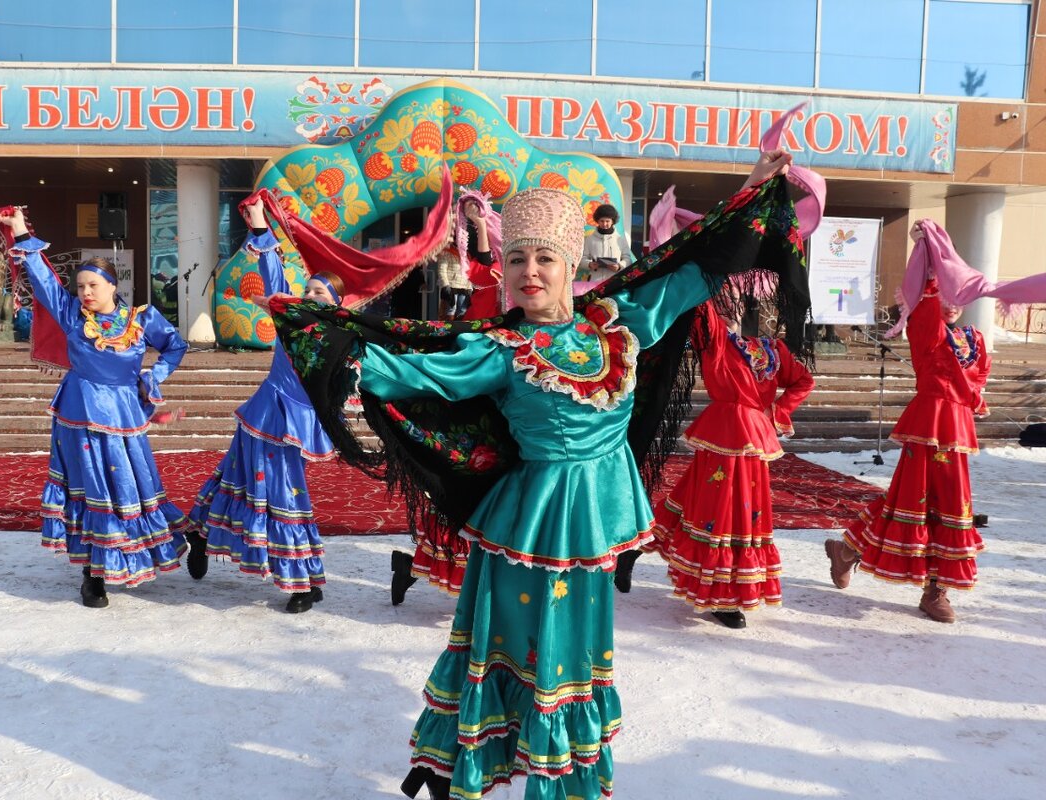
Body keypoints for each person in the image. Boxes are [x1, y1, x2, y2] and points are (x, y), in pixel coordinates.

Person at [267, 149, 801, 799]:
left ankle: (556, 777)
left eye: (544, 258)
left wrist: (749, 194)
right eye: (516, 259)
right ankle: (466, 763)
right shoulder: (498, 350)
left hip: (593, 529)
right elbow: (410, 368)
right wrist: (330, 341)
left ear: (571, 266)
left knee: (573, 658)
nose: (529, 272)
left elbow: (692, 267)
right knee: (518, 653)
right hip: (529, 529)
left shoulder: (620, 323)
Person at [0, 207, 190, 608]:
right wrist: (19, 232)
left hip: (123, 414)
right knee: (91, 491)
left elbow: (175, 345)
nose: (85, 292)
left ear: (112, 286)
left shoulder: (141, 319)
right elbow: (46, 282)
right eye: (81, 285)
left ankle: (171, 541)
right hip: (80, 416)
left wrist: (155, 377)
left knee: (130, 486)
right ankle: (93, 575)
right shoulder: (73, 317)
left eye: (92, 285)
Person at [825, 221, 990, 623]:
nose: (952, 302)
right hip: (927, 425)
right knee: (908, 504)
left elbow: (977, 381)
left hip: (957, 431)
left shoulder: (976, 340)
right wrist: (930, 257)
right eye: (946, 293)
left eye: (959, 294)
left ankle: (936, 590)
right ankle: (847, 551)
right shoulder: (927, 332)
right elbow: (928, 301)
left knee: (954, 508)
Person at [185, 200, 338, 614]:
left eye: (319, 293)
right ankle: (299, 582)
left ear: (335, 304)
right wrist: (258, 227)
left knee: (247, 484)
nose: (309, 296)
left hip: (298, 423)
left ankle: (200, 533)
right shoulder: (292, 322)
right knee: (281, 494)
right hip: (267, 414)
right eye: (308, 290)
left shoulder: (340, 340)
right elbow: (274, 279)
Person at [628, 291, 814, 628]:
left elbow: (804, 380)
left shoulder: (772, 349)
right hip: (723, 434)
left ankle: (635, 548)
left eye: (735, 300)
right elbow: (701, 307)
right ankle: (721, 594)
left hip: (753, 436)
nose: (729, 306)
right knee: (721, 510)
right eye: (722, 299)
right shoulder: (714, 339)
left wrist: (778, 411)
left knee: (708, 502)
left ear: (746, 305)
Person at [391, 194, 500, 605]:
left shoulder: (535, 306)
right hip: (475, 411)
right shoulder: (491, 291)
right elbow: (485, 267)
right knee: (464, 500)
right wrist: (479, 224)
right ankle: (415, 566)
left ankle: (425, 569)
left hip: (508, 415)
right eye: (520, 259)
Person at [578, 203, 633, 283]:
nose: (604, 224)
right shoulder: (589, 239)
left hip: (614, 282)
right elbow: (582, 258)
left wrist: (619, 266)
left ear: (612, 221)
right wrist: (589, 264)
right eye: (602, 221)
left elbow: (628, 259)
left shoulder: (620, 239)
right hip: (594, 282)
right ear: (597, 221)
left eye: (607, 221)